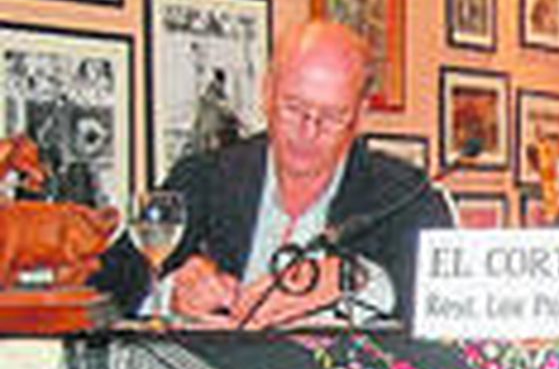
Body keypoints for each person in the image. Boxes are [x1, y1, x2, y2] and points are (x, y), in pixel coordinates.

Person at [95, 20, 452, 326]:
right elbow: (108, 284)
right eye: (293, 108)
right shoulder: (203, 177)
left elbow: (445, 308)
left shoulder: (406, 195)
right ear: (267, 94)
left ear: (360, 116)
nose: (308, 131)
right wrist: (170, 290)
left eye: (332, 117)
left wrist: (357, 280)